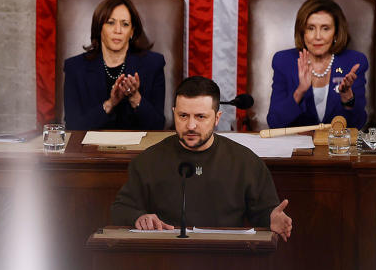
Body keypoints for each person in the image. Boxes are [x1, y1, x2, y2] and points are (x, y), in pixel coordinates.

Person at [111, 76, 293, 240]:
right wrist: (138, 217)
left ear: (217, 118)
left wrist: (271, 218)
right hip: (165, 261)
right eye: (183, 116)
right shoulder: (148, 161)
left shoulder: (245, 162)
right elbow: (121, 209)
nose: (191, 125)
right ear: (174, 113)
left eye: (200, 117)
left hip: (226, 262)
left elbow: (264, 211)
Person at [63, 0, 167, 130]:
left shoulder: (153, 64)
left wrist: (135, 98)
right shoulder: (75, 68)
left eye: (125, 24)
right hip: (91, 149)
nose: (117, 30)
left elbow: (158, 126)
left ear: (132, 32)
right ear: (99, 28)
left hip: (139, 150)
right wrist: (110, 104)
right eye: (111, 22)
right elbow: (73, 127)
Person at [266, 0, 368, 131]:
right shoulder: (283, 61)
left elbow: (358, 124)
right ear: (302, 32)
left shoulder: (353, 62)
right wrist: (300, 91)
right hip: (296, 148)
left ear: (336, 33)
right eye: (311, 28)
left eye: (325, 28)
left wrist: (347, 98)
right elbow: (274, 122)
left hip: (337, 146)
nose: (318, 36)